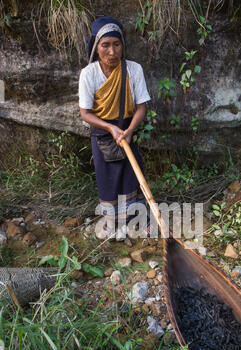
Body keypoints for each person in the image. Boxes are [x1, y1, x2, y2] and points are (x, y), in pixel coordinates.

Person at [79, 16, 151, 240]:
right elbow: (85, 113)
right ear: (96, 47)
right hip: (103, 134)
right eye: (105, 45)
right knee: (108, 179)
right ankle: (112, 223)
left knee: (131, 175)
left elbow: (141, 107)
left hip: (127, 130)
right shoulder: (89, 74)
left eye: (116, 44)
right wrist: (110, 128)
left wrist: (129, 131)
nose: (112, 51)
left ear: (123, 46)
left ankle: (139, 219)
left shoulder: (134, 70)